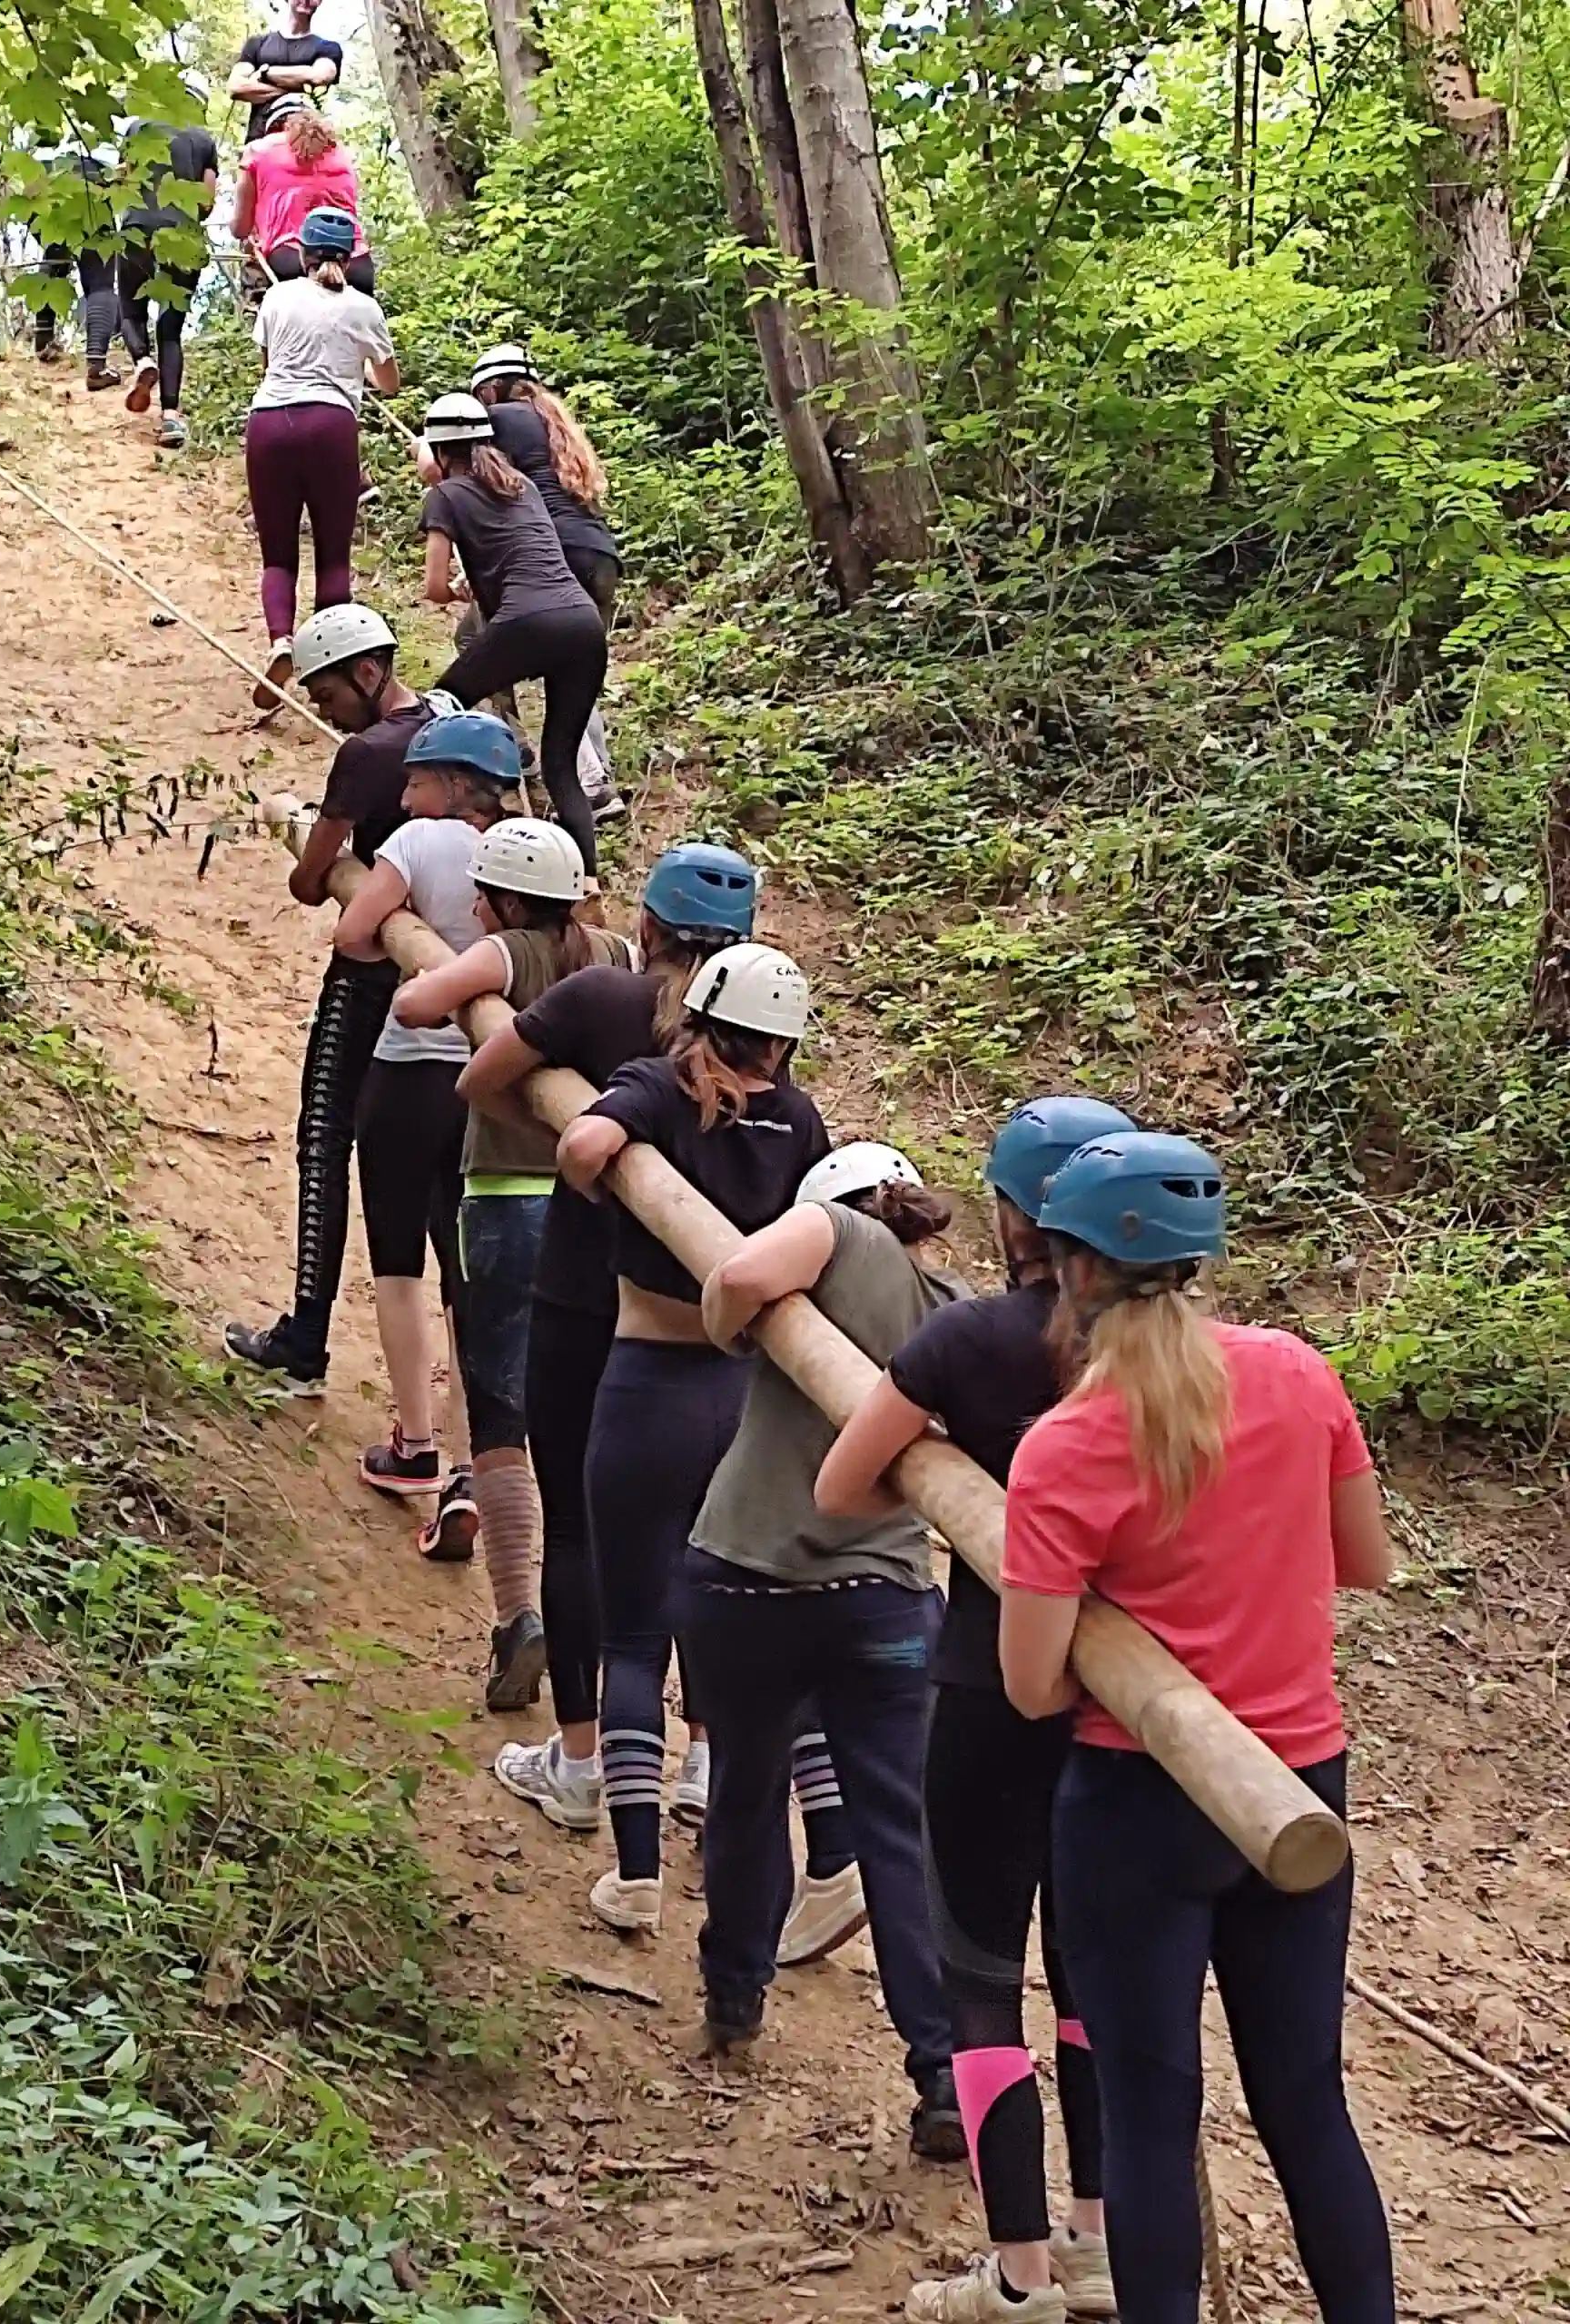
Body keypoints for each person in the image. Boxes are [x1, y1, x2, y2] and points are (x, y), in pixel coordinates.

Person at [998, 1131, 1397, 2324]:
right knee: (1305, 2102)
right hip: (1298, 1788)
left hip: (1137, 1804)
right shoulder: (1297, 1374)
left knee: (1147, 2116)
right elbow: (1366, 1563)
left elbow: (1030, 1688)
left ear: (1072, 1269)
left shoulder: (1065, 1446)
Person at [815, 1097, 1136, 2323]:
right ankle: (1102, 2237)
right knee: (1089, 1975)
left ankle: (1019, 2274)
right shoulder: (1161, 1359)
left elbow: (847, 1486)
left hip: (991, 1688)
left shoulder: (975, 1341)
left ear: (1012, 1213)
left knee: (982, 1978)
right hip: (1118, 1708)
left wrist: (944, 1442)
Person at [459, 845, 755, 1829]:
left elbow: (486, 1079)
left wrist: (564, 1140)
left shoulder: (601, 1000)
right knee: (702, 1535)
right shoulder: (762, 1046)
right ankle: (706, 1758)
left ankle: (581, 1758)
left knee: (581, 1523)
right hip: (717, 1326)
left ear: (651, 923)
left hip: (587, 1298)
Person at [685, 1142, 964, 2159]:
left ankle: (733, 1995)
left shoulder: (833, 1232)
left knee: (747, 1791)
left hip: (744, 1578)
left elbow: (742, 1276)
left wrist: (733, 1333)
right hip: (881, 1602)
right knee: (900, 1832)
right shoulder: (951, 1304)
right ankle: (940, 2073)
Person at [555, 943, 829, 1934]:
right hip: (748, 1395)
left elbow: (583, 1147)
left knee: (633, 1633)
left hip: (649, 1382)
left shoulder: (657, 1087)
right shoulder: (799, 1120)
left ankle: (635, 1875)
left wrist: (611, 1193)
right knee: (733, 1622)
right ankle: (754, 1822)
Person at [387, 819, 634, 1711]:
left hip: (500, 1197)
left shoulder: (500, 953)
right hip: (597, 1210)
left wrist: (445, 973)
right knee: (582, 1416)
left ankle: (517, 1615)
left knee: (500, 1411)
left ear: (496, 897)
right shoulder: (616, 950)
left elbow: (417, 1006)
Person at [223, 605, 444, 1396]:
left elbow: (310, 880)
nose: (317, 706)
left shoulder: (367, 753)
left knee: (324, 1133)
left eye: (323, 691)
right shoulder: (443, 721)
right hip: (441, 981)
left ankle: (307, 1332)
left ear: (364, 673)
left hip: (371, 975)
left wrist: (321, 845)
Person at [329, 714, 526, 1525]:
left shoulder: (419, 844)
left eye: (415, 783)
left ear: (451, 787)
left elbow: (352, 933)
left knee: (399, 1262)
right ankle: (477, 1464)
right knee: (464, 1267)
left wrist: (391, 949)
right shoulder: (530, 848)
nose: (405, 799)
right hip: (491, 1083)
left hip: (410, 1070)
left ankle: (415, 1444)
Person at [419, 394, 609, 884]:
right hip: (583, 623)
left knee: (440, 707)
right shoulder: (522, 485)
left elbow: (434, 587)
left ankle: (465, 815)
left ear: (441, 453)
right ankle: (586, 885)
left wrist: (454, 588)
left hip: (526, 622)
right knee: (562, 765)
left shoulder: (444, 495)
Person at [245, 208, 396, 704]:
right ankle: (331, 663)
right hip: (331, 425)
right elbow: (389, 383)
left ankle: (280, 641)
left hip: (270, 423)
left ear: (303, 254)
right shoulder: (365, 309)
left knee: (278, 554)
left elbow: (270, 365)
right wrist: (361, 377)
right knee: (333, 553)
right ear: (350, 259)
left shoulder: (278, 295)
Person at [469, 343, 625, 822]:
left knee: (484, 641)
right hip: (598, 553)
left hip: (554, 555)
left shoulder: (500, 419)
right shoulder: (550, 421)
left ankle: (538, 763)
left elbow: (478, 483)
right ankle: (592, 779)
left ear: (492, 388)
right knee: (576, 670)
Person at [117, 91, 218, 450]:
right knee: (171, 326)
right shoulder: (204, 140)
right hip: (184, 234)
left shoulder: (137, 128)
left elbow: (125, 179)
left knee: (130, 307)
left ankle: (142, 360)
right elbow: (206, 201)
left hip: (137, 226)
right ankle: (171, 416)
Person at [233, 100, 375, 294]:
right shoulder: (342, 154)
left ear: (274, 126)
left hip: (292, 260)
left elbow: (240, 229)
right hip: (355, 263)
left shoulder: (259, 150)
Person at [29, 144, 121, 391]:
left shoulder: (46, 160)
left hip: (44, 199)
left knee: (55, 261)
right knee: (100, 284)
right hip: (91, 203)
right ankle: (96, 366)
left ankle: (43, 340)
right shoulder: (105, 158)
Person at [229, 0, 343, 143]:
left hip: (306, 144)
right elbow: (235, 87)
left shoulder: (328, 48)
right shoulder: (258, 44)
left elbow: (319, 76)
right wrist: (297, 89)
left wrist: (265, 73)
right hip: (259, 141)